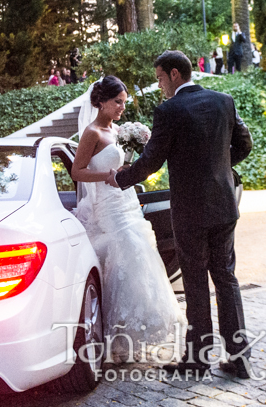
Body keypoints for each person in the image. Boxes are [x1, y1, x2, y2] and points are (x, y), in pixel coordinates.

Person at [108, 51, 255, 379]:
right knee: (226, 278)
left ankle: (198, 360)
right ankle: (240, 358)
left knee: (196, 282)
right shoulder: (223, 101)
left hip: (191, 210)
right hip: (223, 205)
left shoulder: (170, 110)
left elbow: (151, 161)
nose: (160, 85)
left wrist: (120, 178)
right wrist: (219, 166)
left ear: (175, 74)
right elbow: (244, 144)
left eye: (160, 78)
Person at [71, 77, 185, 363]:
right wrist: (107, 177)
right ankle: (116, 338)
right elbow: (77, 172)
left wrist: (126, 170)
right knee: (125, 257)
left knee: (141, 260)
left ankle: (133, 335)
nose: (122, 106)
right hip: (108, 208)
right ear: (101, 102)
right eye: (117, 102)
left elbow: (122, 165)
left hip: (128, 202)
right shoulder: (92, 133)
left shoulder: (119, 130)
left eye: (124, 101)